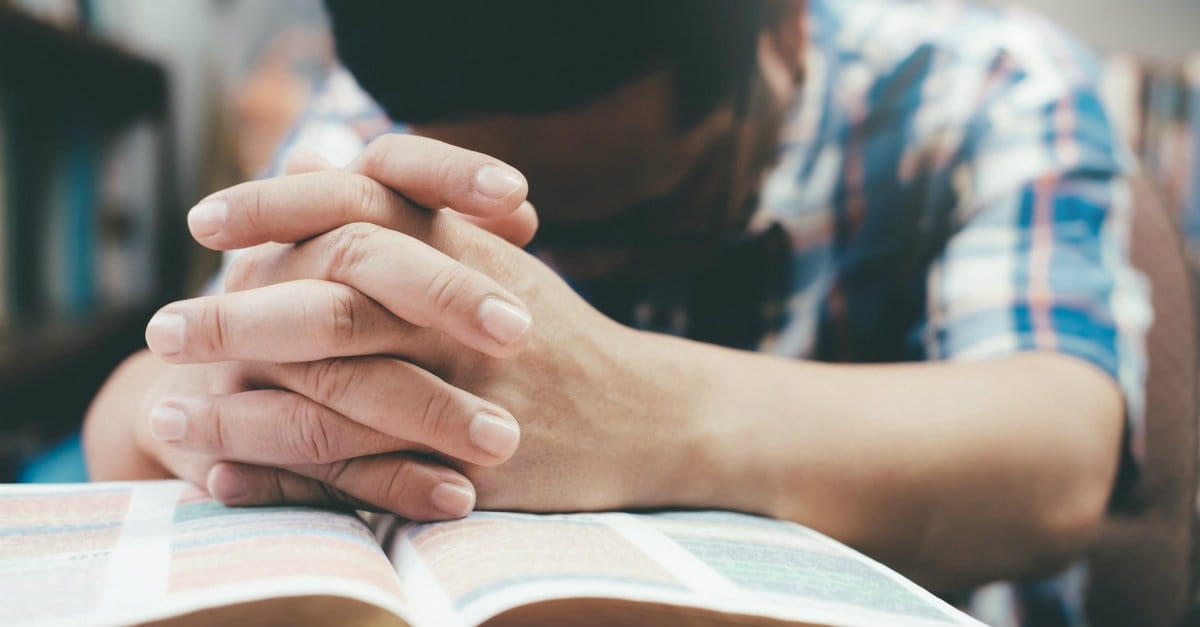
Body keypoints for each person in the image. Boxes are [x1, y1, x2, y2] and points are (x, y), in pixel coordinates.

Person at [83, 0, 1151, 620]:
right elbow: (151, 410)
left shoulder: (988, 86)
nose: (551, 267)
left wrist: (631, 409)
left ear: (779, 29)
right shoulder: (378, 114)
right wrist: (199, 394)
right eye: (503, 221)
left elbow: (1060, 459)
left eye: (650, 209)